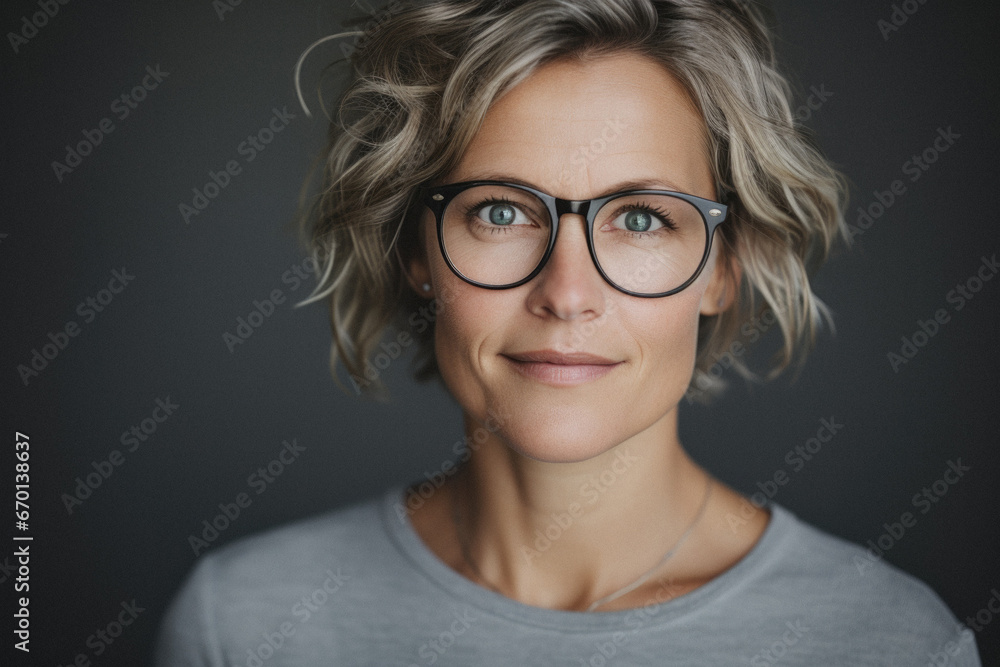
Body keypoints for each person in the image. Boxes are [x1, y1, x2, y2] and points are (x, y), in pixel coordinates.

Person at [154, 0, 981, 664]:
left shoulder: (893, 643)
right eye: (502, 211)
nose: (568, 292)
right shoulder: (244, 624)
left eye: (643, 218)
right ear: (416, 250)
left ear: (723, 265)